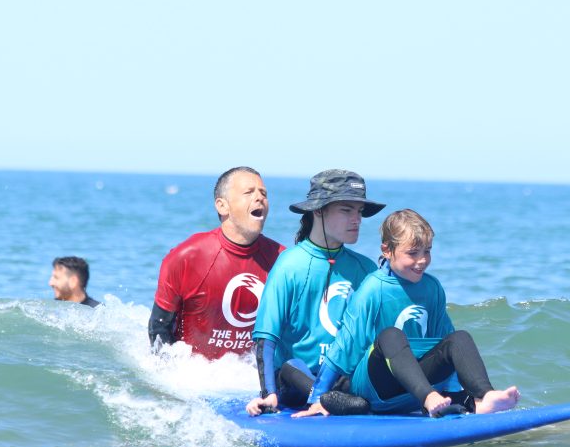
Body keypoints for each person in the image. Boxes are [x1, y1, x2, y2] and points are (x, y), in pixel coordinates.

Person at [295, 209, 520, 418]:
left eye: (427, 251)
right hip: (377, 387)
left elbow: (444, 347)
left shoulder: (432, 288)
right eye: (412, 253)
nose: (422, 261)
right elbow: (345, 345)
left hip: (415, 386)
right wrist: (317, 399)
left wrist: (457, 395)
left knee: (459, 338)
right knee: (391, 335)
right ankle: (428, 398)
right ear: (387, 250)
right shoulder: (373, 289)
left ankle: (485, 397)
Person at [245, 169, 385, 416]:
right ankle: (331, 400)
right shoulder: (290, 265)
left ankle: (337, 400)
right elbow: (265, 340)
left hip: (342, 381)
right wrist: (268, 394)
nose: (357, 220)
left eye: (359, 212)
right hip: (295, 382)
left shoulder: (366, 269)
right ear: (318, 210)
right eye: (346, 210)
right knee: (291, 366)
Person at [149, 167, 284, 360]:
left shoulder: (282, 260)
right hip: (195, 375)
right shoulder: (186, 257)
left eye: (264, 193)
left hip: (248, 377)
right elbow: (159, 327)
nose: (259, 197)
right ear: (222, 206)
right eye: (249, 192)